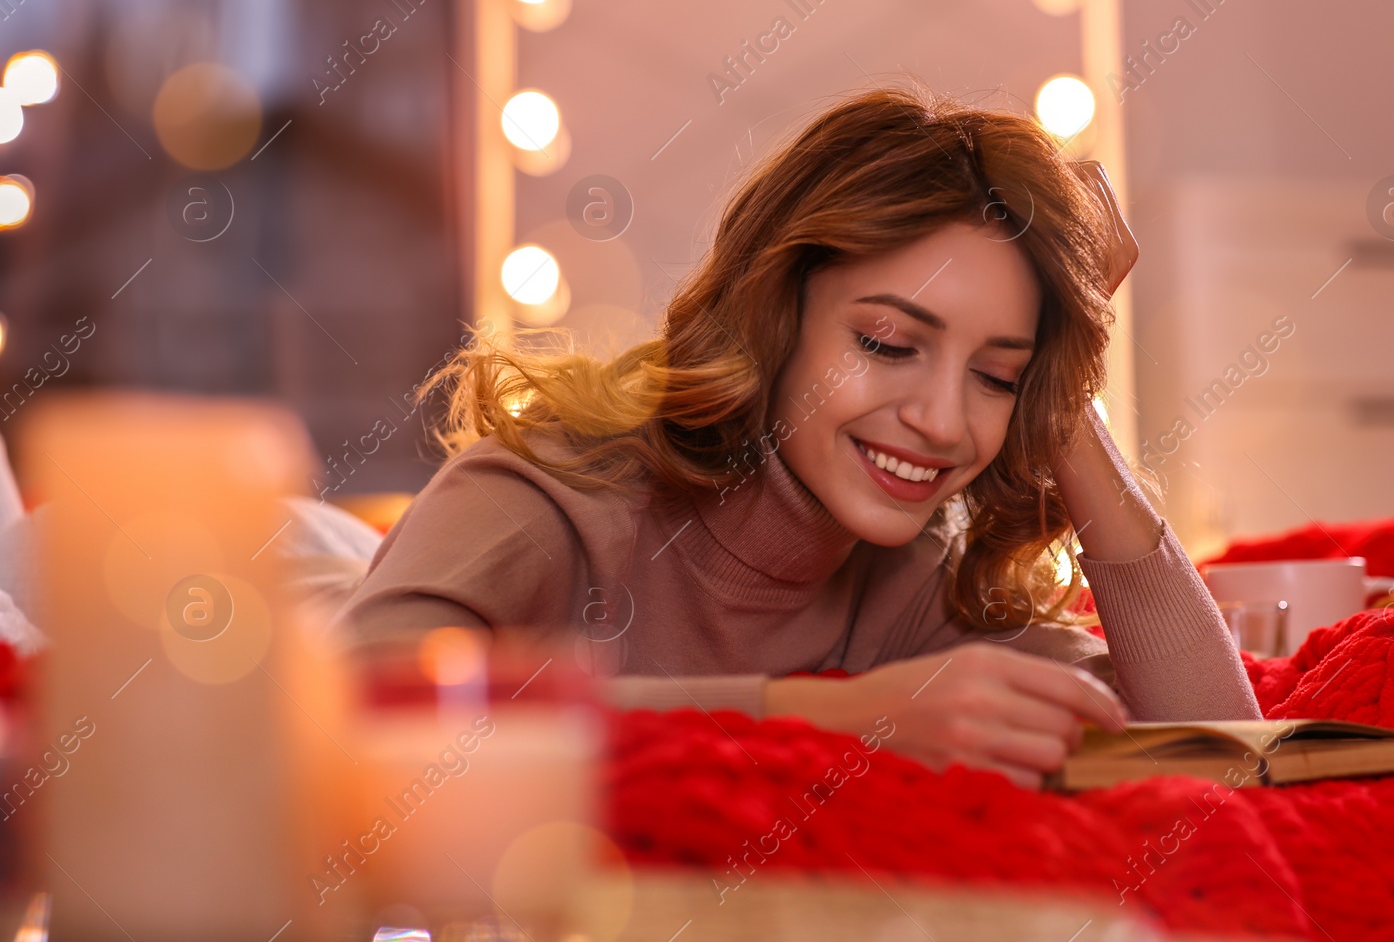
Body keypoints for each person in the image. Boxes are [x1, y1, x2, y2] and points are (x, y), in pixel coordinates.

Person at [334, 85, 1260, 789]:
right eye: (887, 343)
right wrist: (828, 718)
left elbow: (1216, 742)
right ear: (774, 310)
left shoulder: (913, 585)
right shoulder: (554, 495)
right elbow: (353, 713)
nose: (941, 421)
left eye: (993, 375)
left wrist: (1063, 388)